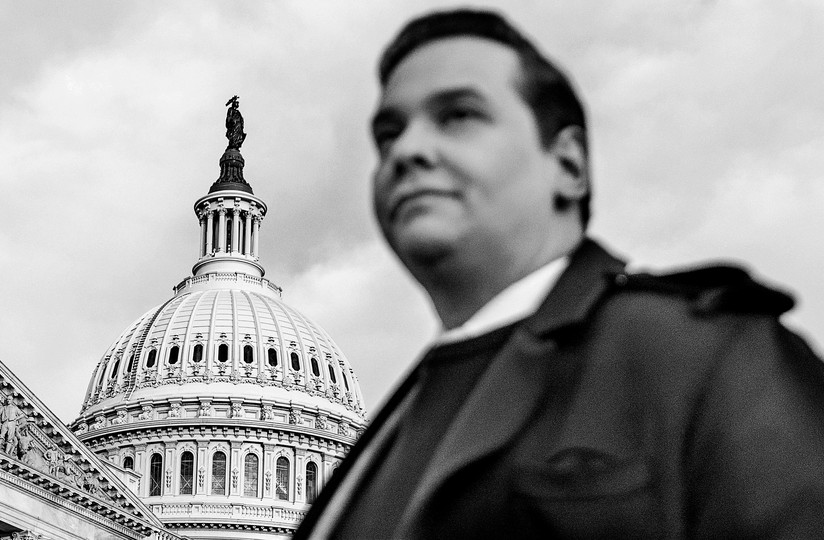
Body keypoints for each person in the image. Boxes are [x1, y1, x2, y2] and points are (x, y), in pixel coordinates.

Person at [295, 8, 824, 539]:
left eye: (457, 115)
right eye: (388, 135)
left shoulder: (702, 349)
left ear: (568, 165)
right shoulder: (385, 434)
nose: (407, 151)